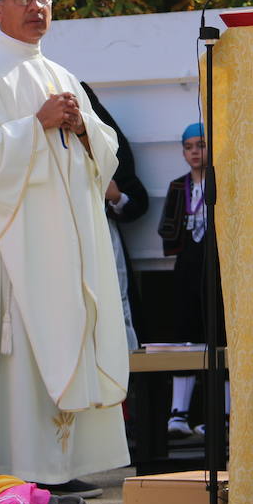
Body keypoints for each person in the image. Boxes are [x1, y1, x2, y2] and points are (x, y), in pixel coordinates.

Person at [0, 0, 129, 499]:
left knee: (65, 339)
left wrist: (83, 126)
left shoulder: (62, 75)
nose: (35, 6)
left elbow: (107, 156)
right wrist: (35, 123)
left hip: (64, 250)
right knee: (18, 359)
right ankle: (3, 463)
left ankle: (58, 463)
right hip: (12, 251)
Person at [156, 123, 229, 439]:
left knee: (221, 338)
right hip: (187, 269)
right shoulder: (178, 186)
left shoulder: (222, 183)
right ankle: (179, 413)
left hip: (218, 267)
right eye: (188, 147)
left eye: (201, 145)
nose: (195, 152)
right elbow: (168, 228)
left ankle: (223, 415)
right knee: (185, 337)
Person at [81, 80, 150, 353]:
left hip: (101, 234)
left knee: (115, 305)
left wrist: (115, 196)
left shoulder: (106, 144)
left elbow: (135, 200)